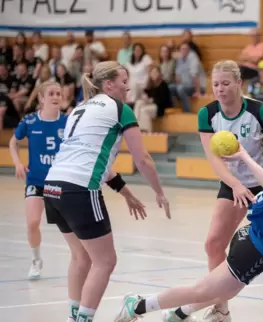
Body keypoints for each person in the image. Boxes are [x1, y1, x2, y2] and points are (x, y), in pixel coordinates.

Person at [163, 60, 263, 322]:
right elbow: (213, 159)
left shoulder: (260, 112)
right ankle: (221, 308)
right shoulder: (208, 114)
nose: (220, 89)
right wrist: (235, 185)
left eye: (225, 83)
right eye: (215, 84)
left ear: (239, 84)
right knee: (213, 243)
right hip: (233, 183)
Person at [113, 132, 263, 322]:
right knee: (200, 291)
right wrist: (243, 155)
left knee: (223, 294)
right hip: (250, 250)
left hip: (259, 248)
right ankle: (137, 305)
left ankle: (176, 315)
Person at [42, 61, 171, 322]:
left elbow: (95, 162)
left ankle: (73, 317)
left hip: (52, 187)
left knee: (80, 257)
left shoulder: (80, 109)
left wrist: (127, 194)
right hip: (80, 190)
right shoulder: (119, 109)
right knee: (105, 262)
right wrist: (159, 191)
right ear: (109, 85)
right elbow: (142, 158)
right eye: (124, 81)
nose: (128, 86)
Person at [8, 81, 67, 279]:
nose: (56, 97)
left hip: (60, 182)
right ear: (41, 98)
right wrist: (17, 163)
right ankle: (36, 260)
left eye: (59, 93)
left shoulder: (68, 122)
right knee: (33, 222)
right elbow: (13, 142)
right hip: (36, 181)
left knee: (71, 225)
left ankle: (80, 258)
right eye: (51, 93)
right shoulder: (30, 121)